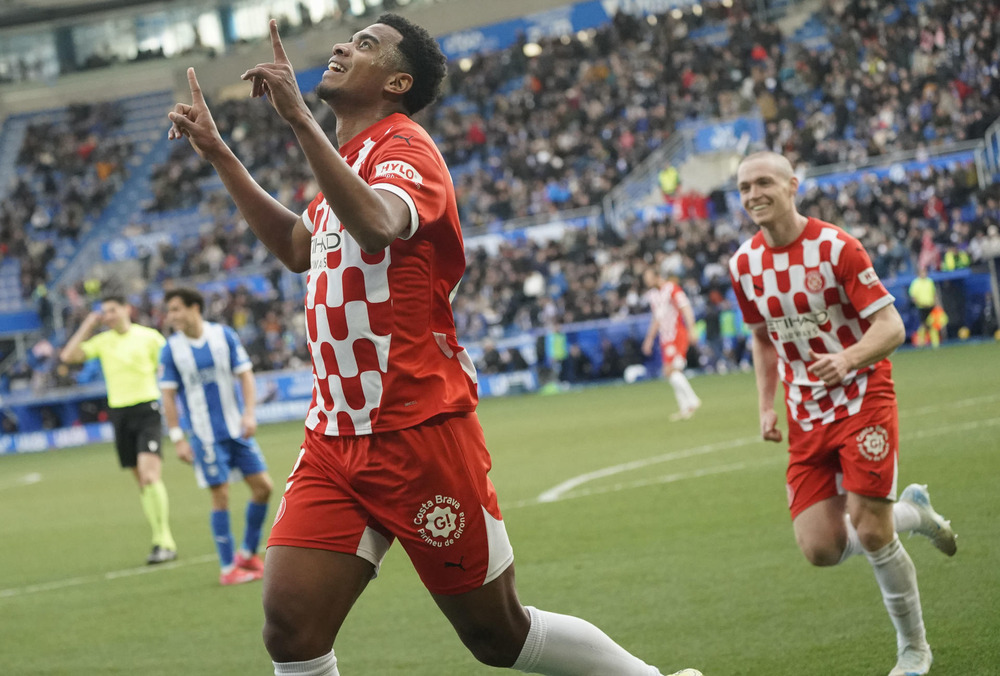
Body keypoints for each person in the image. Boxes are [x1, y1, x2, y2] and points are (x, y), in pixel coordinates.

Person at [166, 15, 701, 676]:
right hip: (335, 436)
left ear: (398, 81)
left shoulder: (405, 149)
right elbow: (296, 248)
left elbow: (377, 227)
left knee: (496, 635)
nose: (341, 46)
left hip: (418, 432)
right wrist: (219, 152)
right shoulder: (348, 162)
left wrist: (300, 120)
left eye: (365, 43)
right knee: (292, 628)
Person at [728, 151, 958, 676]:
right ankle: (915, 513)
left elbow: (893, 327)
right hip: (805, 413)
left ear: (793, 185)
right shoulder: (744, 264)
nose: (753, 195)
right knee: (820, 548)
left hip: (861, 398)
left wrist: (849, 358)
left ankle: (914, 650)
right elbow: (763, 339)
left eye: (764, 182)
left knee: (872, 532)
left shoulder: (836, 248)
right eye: (743, 188)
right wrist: (766, 406)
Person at [158, 287, 274, 586]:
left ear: (194, 307)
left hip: (237, 428)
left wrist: (249, 413)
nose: (171, 316)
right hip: (205, 436)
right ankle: (227, 569)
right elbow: (168, 396)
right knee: (220, 494)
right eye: (169, 311)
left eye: (175, 309)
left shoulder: (223, 336)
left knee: (263, 488)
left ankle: (247, 553)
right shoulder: (172, 349)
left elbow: (245, 375)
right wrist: (178, 437)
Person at [60, 293, 178, 564]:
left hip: (147, 408)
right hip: (120, 413)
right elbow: (68, 355)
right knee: (141, 482)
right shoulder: (102, 341)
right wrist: (89, 324)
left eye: (112, 310)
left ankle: (165, 540)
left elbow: (170, 365)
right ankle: (158, 538)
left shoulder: (149, 337)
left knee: (150, 476)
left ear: (127, 309)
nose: (108, 316)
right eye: (104, 312)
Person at [641, 268, 701, 420]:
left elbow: (686, 308)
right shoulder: (653, 295)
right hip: (665, 338)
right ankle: (685, 407)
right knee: (671, 373)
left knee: (671, 371)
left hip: (677, 335)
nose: (646, 281)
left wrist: (692, 329)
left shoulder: (672, 289)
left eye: (648, 277)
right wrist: (649, 339)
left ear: (657, 276)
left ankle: (692, 400)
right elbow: (656, 319)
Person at [907, 266, 939, 348]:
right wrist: (919, 302)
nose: (924, 274)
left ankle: (935, 343)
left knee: (933, 324)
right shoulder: (915, 283)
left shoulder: (929, 281)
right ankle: (921, 342)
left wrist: (935, 303)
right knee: (923, 324)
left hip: (930, 305)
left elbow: (934, 293)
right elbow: (913, 296)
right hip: (921, 307)